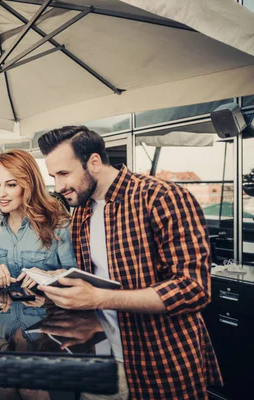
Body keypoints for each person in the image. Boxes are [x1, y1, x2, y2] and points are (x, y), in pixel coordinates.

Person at [37, 126, 222, 399]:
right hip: (101, 359)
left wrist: (99, 299)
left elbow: (193, 289)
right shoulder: (82, 212)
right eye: (54, 176)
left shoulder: (161, 197)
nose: (58, 186)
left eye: (64, 174)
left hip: (161, 364)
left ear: (95, 163)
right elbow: (101, 281)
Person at [0, 149, 76, 289]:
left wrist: (46, 275)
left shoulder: (58, 224)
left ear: (29, 185)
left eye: (11, 185)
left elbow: (74, 274)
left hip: (47, 308)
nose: (1, 194)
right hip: (3, 308)